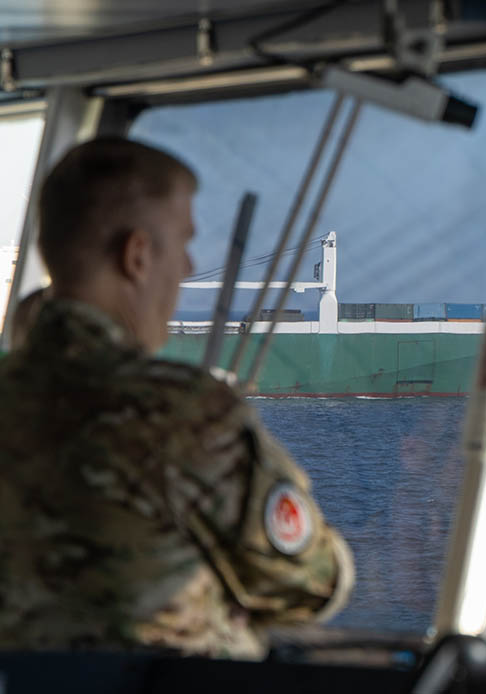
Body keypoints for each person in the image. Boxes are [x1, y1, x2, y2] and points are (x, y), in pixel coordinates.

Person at [0, 137, 354, 659]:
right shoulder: (184, 413)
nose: (189, 267)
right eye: (183, 243)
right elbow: (311, 582)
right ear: (137, 256)